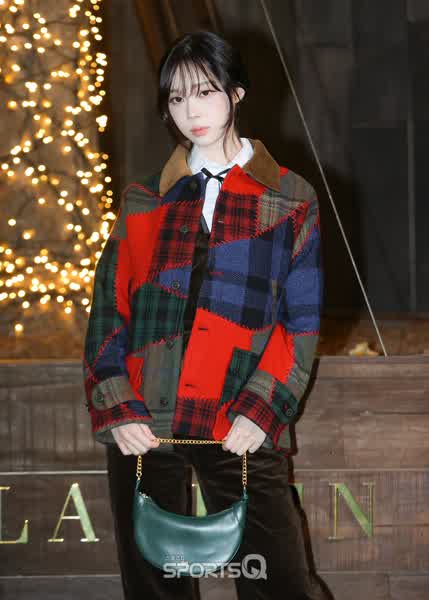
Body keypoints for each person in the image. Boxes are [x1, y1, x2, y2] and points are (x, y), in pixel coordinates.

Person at [83, 30, 324, 600]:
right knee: (154, 589)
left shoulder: (290, 198)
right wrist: (117, 407)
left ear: (236, 93)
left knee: (280, 585)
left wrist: (262, 410)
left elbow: (301, 323)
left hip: (238, 421)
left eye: (205, 92)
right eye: (176, 98)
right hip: (146, 424)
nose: (190, 112)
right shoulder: (144, 199)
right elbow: (108, 313)